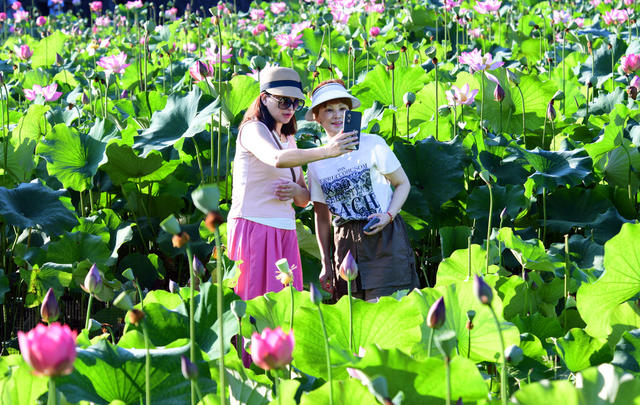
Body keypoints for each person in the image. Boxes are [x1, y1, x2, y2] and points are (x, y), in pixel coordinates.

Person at [227, 67, 358, 301]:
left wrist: (298, 190)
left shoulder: (288, 139)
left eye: (295, 103)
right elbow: (275, 159)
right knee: (255, 303)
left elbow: (303, 199)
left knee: (286, 305)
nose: (290, 108)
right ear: (265, 98)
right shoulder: (252, 129)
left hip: (284, 229)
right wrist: (328, 151)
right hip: (254, 225)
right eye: (284, 101)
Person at [306, 79, 419, 302]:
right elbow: (321, 215)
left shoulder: (373, 143)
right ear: (317, 118)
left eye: (342, 109)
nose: (337, 115)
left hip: (383, 233)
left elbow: (402, 183)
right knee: (354, 314)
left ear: (350, 113)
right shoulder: (315, 161)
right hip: (345, 242)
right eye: (329, 110)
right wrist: (325, 262)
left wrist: (389, 216)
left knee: (391, 310)